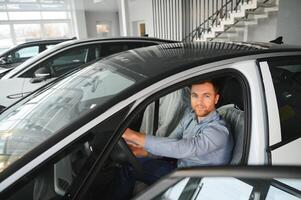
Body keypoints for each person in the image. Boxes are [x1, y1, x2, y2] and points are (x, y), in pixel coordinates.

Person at [116, 80, 233, 199]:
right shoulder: (190, 118)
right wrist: (145, 152)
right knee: (129, 165)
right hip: (179, 172)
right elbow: (171, 141)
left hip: (197, 185)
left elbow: (181, 148)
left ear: (216, 99)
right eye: (195, 96)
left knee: (131, 169)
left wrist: (133, 136)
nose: (199, 102)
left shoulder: (219, 131)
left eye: (206, 96)